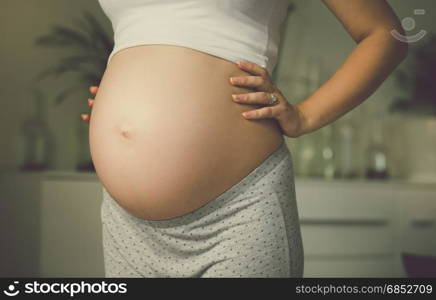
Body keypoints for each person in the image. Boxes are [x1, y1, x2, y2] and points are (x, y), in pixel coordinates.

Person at [80, 0, 408, 278]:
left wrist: (305, 116)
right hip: (128, 226)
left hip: (235, 214)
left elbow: (385, 34)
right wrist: (124, 92)